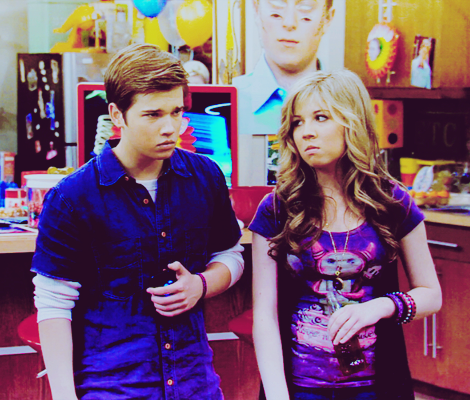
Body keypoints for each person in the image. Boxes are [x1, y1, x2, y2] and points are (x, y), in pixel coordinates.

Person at [31, 43, 244, 400]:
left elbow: (231, 254)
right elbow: (54, 303)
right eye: (153, 114)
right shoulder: (72, 197)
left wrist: (201, 285)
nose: (170, 128)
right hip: (113, 386)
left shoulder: (205, 177)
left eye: (176, 112)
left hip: (194, 382)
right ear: (117, 115)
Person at [249, 70, 442, 399]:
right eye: (297, 122)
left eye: (321, 117)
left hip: (377, 389)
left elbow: (431, 295)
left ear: (352, 122)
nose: (306, 132)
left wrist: (379, 307)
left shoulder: (392, 202)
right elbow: (264, 316)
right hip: (300, 388)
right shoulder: (277, 209)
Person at [233, 0, 335, 186]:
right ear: (256, 9)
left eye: (305, 8)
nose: (289, 22)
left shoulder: (348, 107)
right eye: (277, 5)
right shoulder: (225, 104)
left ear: (327, 18)